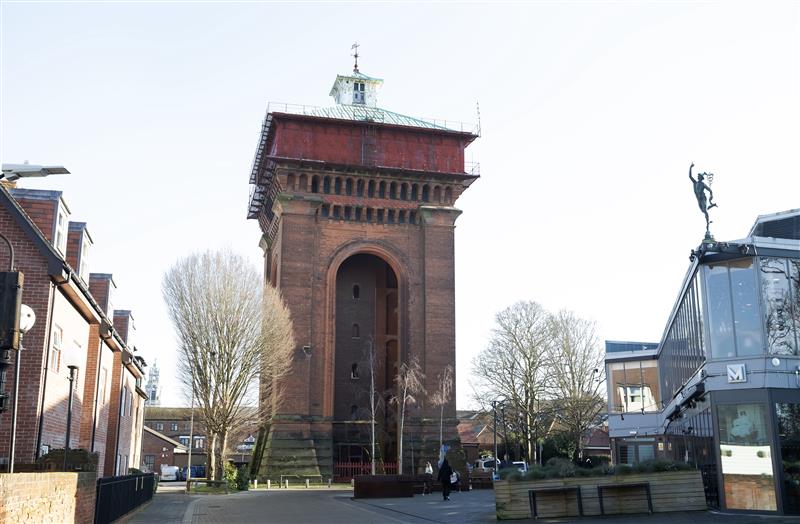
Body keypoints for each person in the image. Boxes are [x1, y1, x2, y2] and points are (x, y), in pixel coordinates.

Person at [689, 162, 717, 232]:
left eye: (699, 176)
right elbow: (690, 176)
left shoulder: (703, 184)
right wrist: (690, 167)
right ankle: (712, 205)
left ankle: (707, 224)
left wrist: (711, 195)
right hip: (698, 199)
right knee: (703, 211)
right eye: (698, 176)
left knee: (705, 211)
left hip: (703, 198)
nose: (697, 176)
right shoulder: (695, 183)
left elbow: (710, 190)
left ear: (701, 178)